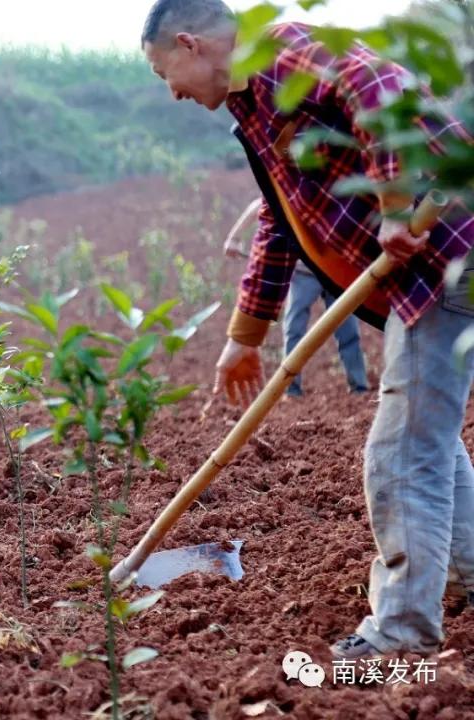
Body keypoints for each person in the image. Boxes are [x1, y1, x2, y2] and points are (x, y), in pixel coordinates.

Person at [142, 0, 474, 659]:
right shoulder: (254, 105)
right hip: (425, 277)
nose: (173, 92)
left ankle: (402, 634)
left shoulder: (283, 50)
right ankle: (464, 577)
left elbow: (381, 88)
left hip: (447, 253)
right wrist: (246, 333)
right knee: (427, 436)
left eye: (165, 74)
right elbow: (279, 222)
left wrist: (394, 202)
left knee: (403, 449)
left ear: (191, 44)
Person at [224, 197, 369, 396]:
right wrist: (233, 238)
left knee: (348, 330)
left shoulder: (334, 191)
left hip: (338, 271)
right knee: (294, 329)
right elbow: (262, 204)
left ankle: (359, 386)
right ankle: (291, 388)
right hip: (303, 273)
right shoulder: (294, 191)